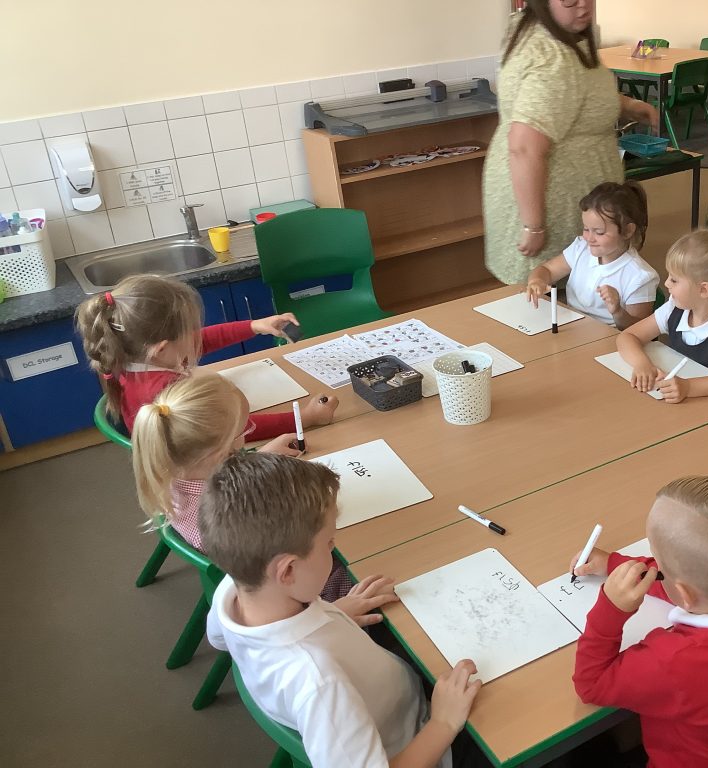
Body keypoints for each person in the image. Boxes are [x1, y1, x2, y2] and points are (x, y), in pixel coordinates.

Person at [202, 452, 482, 768]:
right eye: (329, 544)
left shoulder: (236, 588)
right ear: (288, 571)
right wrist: (443, 722)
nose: (334, 549)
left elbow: (219, 638)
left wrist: (334, 613)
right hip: (422, 739)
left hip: (393, 698)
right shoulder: (320, 684)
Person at [572, 476, 708, 767]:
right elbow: (693, 582)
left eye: (658, 565)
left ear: (683, 593)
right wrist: (615, 564)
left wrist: (611, 608)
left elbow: (591, 685)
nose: (654, 566)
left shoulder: (672, 661)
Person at [132, 374, 367, 605]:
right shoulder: (227, 514)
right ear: (221, 453)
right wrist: (339, 612)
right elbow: (281, 577)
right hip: (293, 593)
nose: (248, 433)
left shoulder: (172, 469)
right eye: (244, 431)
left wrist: (260, 455)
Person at [482, 0, 658, 285]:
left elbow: (577, 90)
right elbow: (525, 147)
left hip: (552, 201)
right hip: (548, 209)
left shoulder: (550, 30)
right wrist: (534, 226)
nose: (583, 5)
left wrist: (626, 106)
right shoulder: (552, 59)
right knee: (548, 296)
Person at [75, 274, 337, 434]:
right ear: (161, 348)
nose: (194, 338)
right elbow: (231, 429)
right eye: (188, 332)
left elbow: (200, 341)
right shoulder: (168, 393)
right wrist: (305, 418)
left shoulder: (131, 356)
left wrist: (255, 326)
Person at [616, 228, 708, 404]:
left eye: (674, 280)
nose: (666, 283)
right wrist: (642, 365)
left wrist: (689, 387)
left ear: (703, 289)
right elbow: (628, 336)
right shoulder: (674, 309)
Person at [525, 181, 658, 329]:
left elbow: (639, 329)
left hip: (607, 336)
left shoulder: (641, 276)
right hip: (571, 327)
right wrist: (537, 281)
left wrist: (617, 311)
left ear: (628, 231)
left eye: (599, 232)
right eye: (586, 229)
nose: (589, 238)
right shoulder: (581, 248)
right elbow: (547, 270)